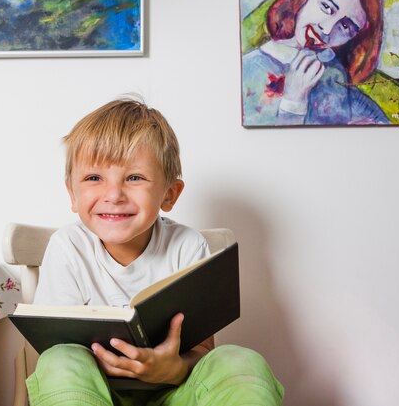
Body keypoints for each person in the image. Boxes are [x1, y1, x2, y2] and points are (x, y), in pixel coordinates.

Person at [28, 97, 284, 406]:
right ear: (72, 194)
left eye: (134, 178)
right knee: (59, 360)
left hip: (175, 394)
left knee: (239, 360)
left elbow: (202, 351)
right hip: (93, 394)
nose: (113, 195)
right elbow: (55, 352)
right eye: (94, 178)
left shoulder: (187, 247)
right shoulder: (68, 247)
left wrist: (173, 369)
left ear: (169, 194)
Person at [242, 0, 389, 126]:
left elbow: (381, 122)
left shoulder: (334, 74)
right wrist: (293, 101)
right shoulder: (249, 68)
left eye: (345, 26)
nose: (327, 29)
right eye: (326, 7)